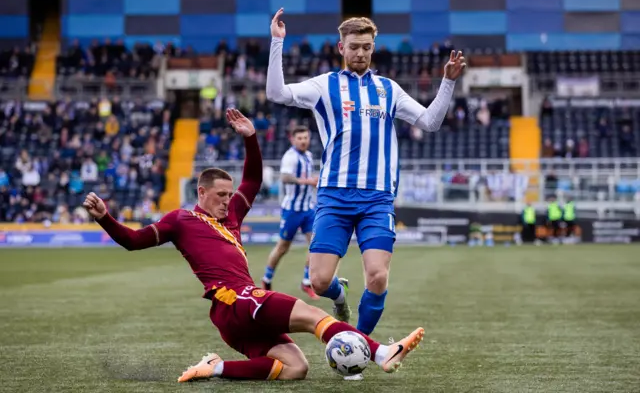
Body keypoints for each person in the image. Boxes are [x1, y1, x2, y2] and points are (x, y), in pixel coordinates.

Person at [83, 109, 424, 382]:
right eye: (220, 195)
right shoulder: (180, 220)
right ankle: (381, 353)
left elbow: (254, 179)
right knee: (313, 315)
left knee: (295, 368)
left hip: (236, 314)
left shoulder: (231, 214)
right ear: (201, 193)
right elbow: (132, 240)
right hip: (234, 300)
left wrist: (251, 139)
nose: (227, 201)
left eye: (229, 195)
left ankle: (215, 367)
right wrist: (105, 218)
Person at [266, 9, 466, 335]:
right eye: (355, 46)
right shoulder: (323, 86)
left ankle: (356, 344)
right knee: (318, 281)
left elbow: (431, 122)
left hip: (377, 198)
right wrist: (277, 42)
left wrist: (447, 82)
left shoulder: (389, 89)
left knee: (377, 275)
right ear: (340, 47)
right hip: (334, 195)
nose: (361, 53)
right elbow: (276, 93)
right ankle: (339, 294)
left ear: (373, 48)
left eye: (367, 47)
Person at [262, 125, 319, 299]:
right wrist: (309, 182)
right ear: (293, 140)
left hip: (308, 209)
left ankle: (307, 282)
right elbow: (285, 178)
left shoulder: (308, 156)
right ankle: (267, 278)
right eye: (300, 138)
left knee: (315, 245)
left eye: (306, 138)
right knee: (282, 247)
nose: (303, 141)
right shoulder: (290, 157)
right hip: (292, 210)